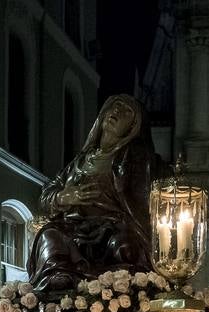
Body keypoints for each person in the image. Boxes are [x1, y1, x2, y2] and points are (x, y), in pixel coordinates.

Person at [26, 94, 165, 291]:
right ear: (103, 114)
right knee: (49, 236)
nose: (117, 112)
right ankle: (62, 279)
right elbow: (46, 195)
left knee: (125, 248)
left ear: (133, 127)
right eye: (114, 106)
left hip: (115, 229)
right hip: (74, 230)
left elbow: (150, 191)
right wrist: (63, 196)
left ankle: (115, 291)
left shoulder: (136, 161)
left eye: (126, 112)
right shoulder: (78, 163)